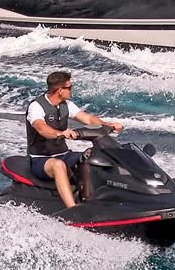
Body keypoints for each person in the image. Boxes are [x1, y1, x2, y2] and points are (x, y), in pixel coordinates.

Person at [27, 70, 124, 208]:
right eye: (69, 87)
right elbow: (41, 128)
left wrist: (108, 125)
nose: (72, 90)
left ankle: (96, 199)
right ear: (60, 90)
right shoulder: (36, 106)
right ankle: (73, 209)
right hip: (40, 159)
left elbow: (89, 119)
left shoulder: (66, 105)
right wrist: (60, 134)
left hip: (64, 154)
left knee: (94, 155)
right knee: (58, 166)